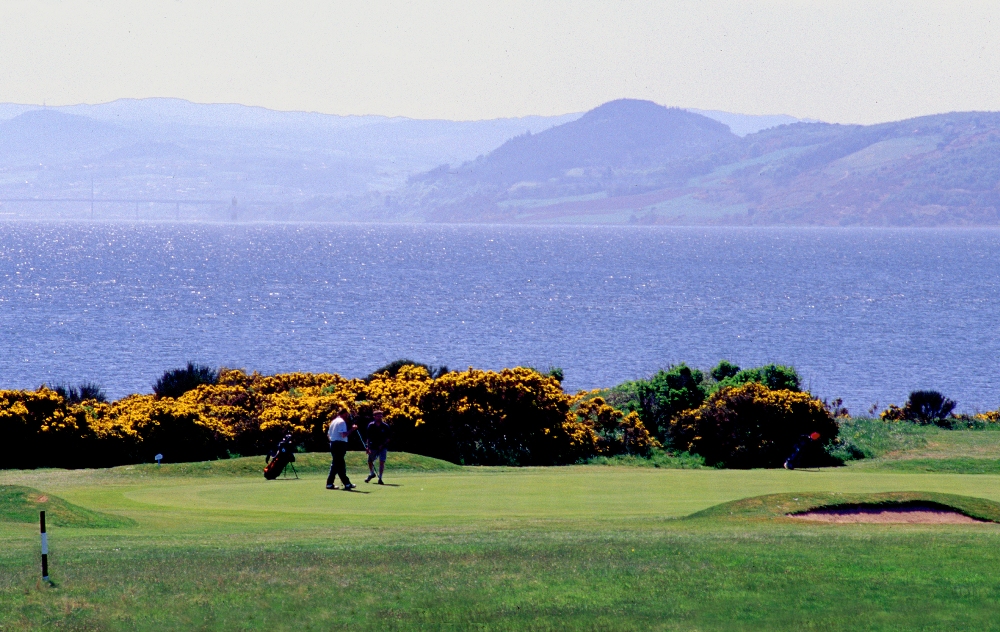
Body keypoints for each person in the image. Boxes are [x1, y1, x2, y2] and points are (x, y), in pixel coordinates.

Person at [326, 408, 357, 490]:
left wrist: (333, 441)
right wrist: (352, 429)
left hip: (333, 443)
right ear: (343, 414)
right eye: (346, 414)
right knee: (337, 464)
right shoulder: (341, 422)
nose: (347, 416)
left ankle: (346, 483)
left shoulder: (333, 421)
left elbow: (328, 434)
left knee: (339, 464)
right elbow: (343, 435)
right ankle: (330, 483)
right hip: (339, 444)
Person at [364, 410, 391, 484]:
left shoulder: (385, 426)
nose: (380, 417)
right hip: (373, 446)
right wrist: (368, 447)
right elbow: (368, 438)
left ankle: (380, 478)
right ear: (374, 417)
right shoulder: (371, 425)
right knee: (370, 461)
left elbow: (388, 438)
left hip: (383, 447)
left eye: (381, 416)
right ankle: (372, 473)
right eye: (378, 416)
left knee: (382, 461)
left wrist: (382, 445)